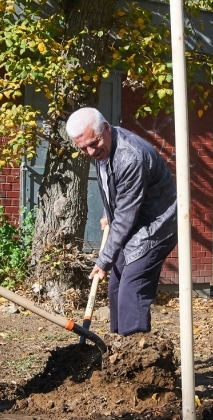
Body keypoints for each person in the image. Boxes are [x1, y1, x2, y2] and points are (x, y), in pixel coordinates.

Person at [65, 107, 177, 336]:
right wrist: (110, 214)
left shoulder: (130, 156)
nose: (90, 151)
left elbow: (126, 215)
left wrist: (104, 259)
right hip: (133, 224)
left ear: (106, 128)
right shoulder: (103, 149)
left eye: (93, 143)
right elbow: (117, 192)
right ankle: (118, 348)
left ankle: (137, 355)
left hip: (155, 228)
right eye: (83, 147)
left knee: (131, 289)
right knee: (116, 286)